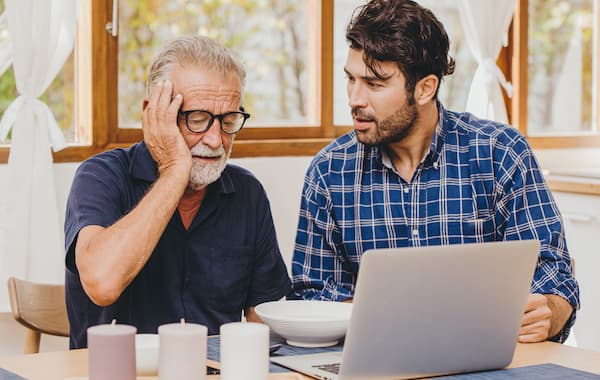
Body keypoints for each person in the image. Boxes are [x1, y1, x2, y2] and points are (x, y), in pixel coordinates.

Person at [289, 0, 579, 343]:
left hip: (488, 363)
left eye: (375, 83)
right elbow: (313, 294)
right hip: (375, 362)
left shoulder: (501, 154)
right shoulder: (328, 172)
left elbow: (554, 274)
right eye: (351, 79)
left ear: (425, 88)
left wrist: (549, 311)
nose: (354, 98)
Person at [64, 35, 291, 348]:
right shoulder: (101, 175)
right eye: (197, 120)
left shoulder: (247, 193)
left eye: (228, 121)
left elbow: (262, 322)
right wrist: (174, 171)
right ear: (154, 112)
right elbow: (103, 283)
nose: (215, 140)